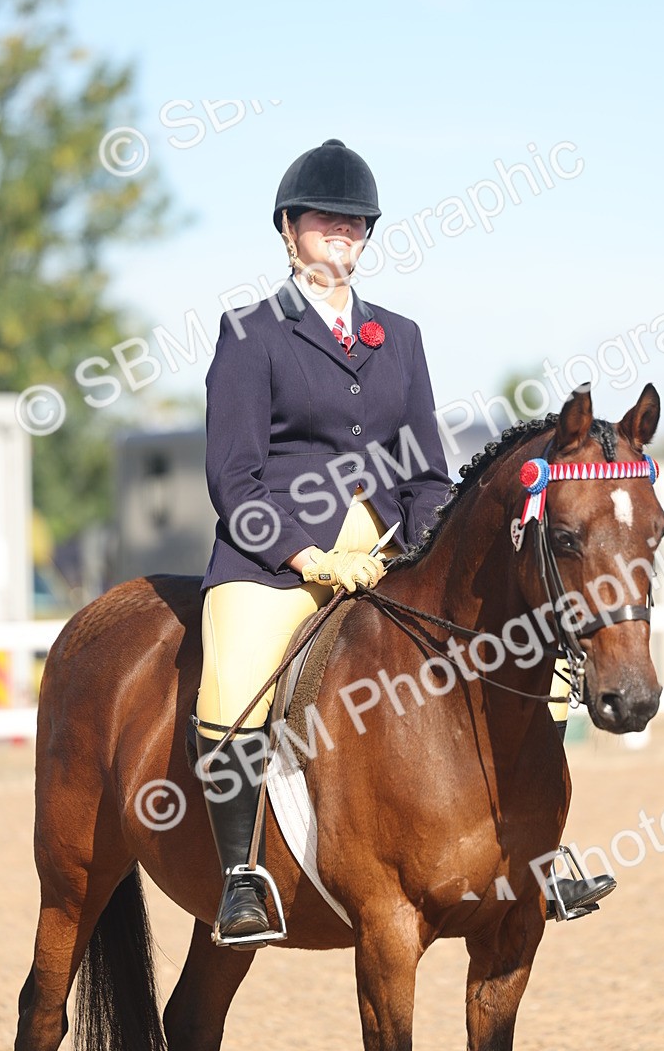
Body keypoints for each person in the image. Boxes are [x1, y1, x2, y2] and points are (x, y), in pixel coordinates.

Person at [195, 138, 614, 947]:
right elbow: (233, 477)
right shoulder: (251, 333)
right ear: (287, 229)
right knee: (233, 681)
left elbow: (425, 472)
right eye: (324, 220)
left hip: (389, 553)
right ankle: (242, 876)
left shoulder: (401, 335)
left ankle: (539, 851)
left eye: (355, 223)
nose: (341, 232)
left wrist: (431, 551)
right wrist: (306, 556)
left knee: (527, 657)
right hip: (277, 557)